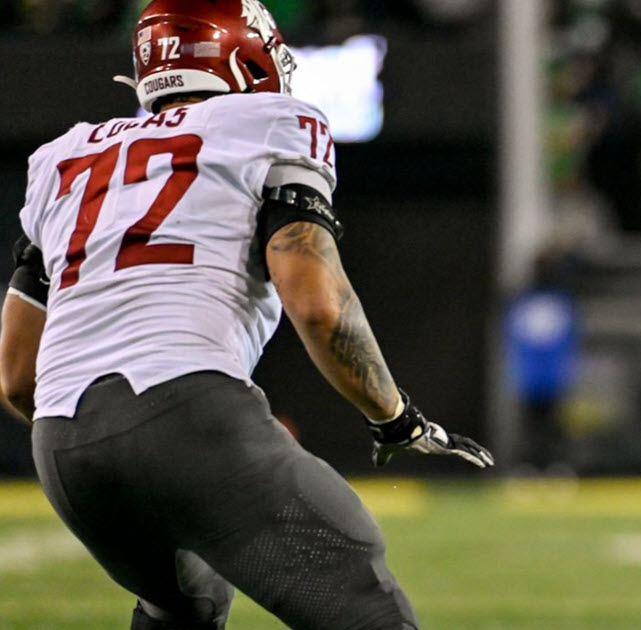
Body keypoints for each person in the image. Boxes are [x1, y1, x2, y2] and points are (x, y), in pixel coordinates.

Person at [0, 1, 493, 629]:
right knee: (360, 602)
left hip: (64, 447)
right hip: (188, 405)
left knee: (184, 605)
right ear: (242, 54)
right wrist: (393, 417)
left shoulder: (61, 159)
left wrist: (106, 437)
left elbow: (16, 376)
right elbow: (317, 304)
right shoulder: (270, 121)